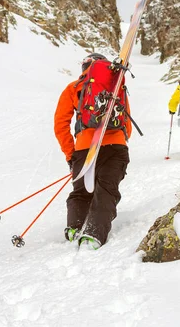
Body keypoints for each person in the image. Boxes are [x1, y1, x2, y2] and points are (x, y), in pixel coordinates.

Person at [54, 53, 131, 250]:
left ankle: (74, 228)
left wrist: (71, 154)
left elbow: (60, 124)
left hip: (85, 148)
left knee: (80, 192)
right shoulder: (116, 86)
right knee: (106, 190)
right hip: (116, 146)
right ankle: (94, 235)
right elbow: (126, 123)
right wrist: (120, 141)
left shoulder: (73, 88)